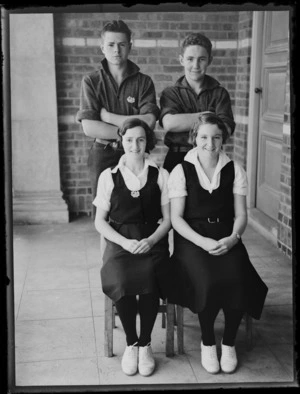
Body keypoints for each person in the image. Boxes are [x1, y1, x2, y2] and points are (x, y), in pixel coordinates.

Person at [167, 113, 268, 374]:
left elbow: (241, 215)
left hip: (226, 234)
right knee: (207, 278)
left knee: (238, 276)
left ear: (223, 139)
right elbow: (176, 218)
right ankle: (208, 342)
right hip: (192, 237)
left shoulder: (234, 169)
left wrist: (233, 238)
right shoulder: (181, 170)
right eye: (203, 137)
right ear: (194, 139)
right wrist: (202, 242)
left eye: (216, 137)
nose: (209, 143)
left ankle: (230, 341)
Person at [93, 118, 171, 377]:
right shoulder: (109, 176)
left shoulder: (160, 174)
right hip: (120, 241)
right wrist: (124, 242)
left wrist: (151, 240)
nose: (135, 145)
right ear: (121, 141)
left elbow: (169, 219)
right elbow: (99, 221)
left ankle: (146, 343)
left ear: (147, 142)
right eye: (129, 140)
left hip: (152, 241)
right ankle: (131, 343)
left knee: (151, 277)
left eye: (140, 139)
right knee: (122, 279)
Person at [76, 20, 160, 216]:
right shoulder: (91, 81)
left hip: (136, 153)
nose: (116, 50)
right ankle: (108, 248)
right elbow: (90, 128)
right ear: (102, 47)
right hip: (103, 153)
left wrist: (108, 116)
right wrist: (131, 132)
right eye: (111, 45)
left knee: (137, 210)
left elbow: (148, 122)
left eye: (122, 44)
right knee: (103, 212)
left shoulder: (143, 82)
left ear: (130, 46)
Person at [159, 32, 236, 173]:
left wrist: (185, 121)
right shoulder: (171, 93)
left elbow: (226, 130)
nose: (195, 65)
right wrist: (209, 116)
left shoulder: (220, 93)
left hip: (211, 156)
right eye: (190, 59)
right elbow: (169, 123)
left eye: (201, 59)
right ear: (181, 60)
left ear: (210, 60)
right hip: (178, 157)